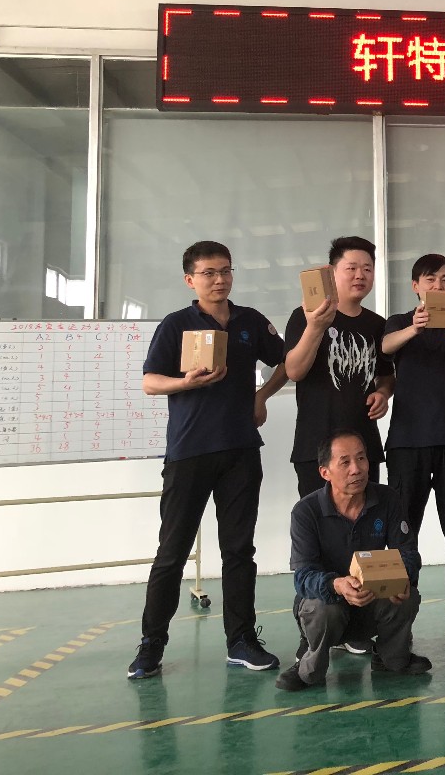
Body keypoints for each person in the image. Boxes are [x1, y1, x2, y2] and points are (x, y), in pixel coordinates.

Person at [128, 240, 286, 680]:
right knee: (171, 554)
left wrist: (262, 395)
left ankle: (242, 640)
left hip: (240, 451)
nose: (220, 280)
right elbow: (149, 382)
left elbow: (287, 362)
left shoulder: (250, 321)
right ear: (190, 279)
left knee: (239, 551)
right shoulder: (176, 324)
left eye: (226, 271)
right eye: (209, 273)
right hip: (189, 453)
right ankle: (151, 646)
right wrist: (186, 383)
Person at [276, 431, 429, 691]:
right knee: (322, 608)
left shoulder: (388, 499)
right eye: (345, 462)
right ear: (325, 472)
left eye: (361, 458)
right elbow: (302, 578)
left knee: (408, 595)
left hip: (371, 598)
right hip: (331, 604)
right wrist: (336, 585)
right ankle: (309, 666)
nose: (356, 469)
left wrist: (402, 578)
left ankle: (390, 657)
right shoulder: (306, 512)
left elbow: (408, 552)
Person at [381, 253, 445, 644]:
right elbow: (386, 346)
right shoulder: (400, 322)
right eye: (431, 279)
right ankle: (397, 620)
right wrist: (415, 327)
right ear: (416, 285)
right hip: (407, 441)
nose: (439, 286)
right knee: (404, 532)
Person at [262, 236, 395, 498]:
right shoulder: (306, 316)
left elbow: (386, 376)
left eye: (367, 269)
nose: (360, 275)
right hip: (317, 446)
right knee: (320, 520)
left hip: (364, 447)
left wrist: (383, 393)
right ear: (332, 273)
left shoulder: (377, 324)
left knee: (367, 519)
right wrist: (316, 327)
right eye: (351, 268)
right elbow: (294, 371)